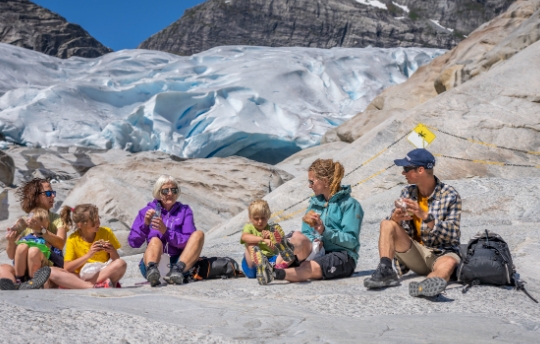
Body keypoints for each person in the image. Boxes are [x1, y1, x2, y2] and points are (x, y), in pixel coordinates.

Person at [363, 148, 462, 297]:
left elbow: (453, 234)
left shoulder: (450, 195)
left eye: (406, 169)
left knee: (448, 264)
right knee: (387, 224)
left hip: (442, 252)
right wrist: (396, 219)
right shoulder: (407, 192)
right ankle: (386, 271)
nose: (403, 173)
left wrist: (426, 217)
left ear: (420, 170)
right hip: (416, 253)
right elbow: (392, 231)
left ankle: (426, 286)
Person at [254, 159, 363, 285]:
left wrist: (325, 231)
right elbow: (307, 232)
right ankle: (274, 262)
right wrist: (315, 239)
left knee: (307, 266)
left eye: (312, 182)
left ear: (325, 181)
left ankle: (273, 273)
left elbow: (351, 241)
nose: (309, 186)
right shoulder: (315, 204)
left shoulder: (349, 205)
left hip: (341, 255)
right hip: (316, 251)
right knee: (297, 237)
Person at [129, 175, 205, 287]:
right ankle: (152, 270)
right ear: (158, 192)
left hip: (179, 264)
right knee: (155, 240)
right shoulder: (147, 211)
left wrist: (166, 232)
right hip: (155, 263)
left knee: (199, 234)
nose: (170, 193)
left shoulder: (184, 211)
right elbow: (133, 242)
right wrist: (145, 224)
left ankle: (177, 272)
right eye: (165, 190)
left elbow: (189, 242)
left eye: (174, 190)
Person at [0, 178, 67, 290]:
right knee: (3, 268)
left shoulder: (58, 220)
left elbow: (60, 244)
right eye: (49, 193)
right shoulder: (24, 222)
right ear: (36, 197)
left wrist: (42, 230)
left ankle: (34, 283)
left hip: (45, 268)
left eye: (53, 193)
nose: (53, 196)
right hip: (23, 269)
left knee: (34, 251)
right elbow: (12, 255)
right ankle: (17, 284)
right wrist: (11, 242)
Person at [61, 204, 126, 288]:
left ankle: (89, 284)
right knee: (54, 271)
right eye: (93, 222)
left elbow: (116, 259)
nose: (98, 223)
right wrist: (89, 254)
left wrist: (112, 250)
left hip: (103, 272)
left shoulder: (106, 232)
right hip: (82, 275)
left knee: (121, 263)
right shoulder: (73, 239)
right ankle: (97, 284)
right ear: (81, 225)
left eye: (98, 219)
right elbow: (67, 267)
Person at [239, 200, 279, 282]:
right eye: (256, 218)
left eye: (263, 218)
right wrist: (262, 239)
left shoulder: (271, 229)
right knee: (251, 244)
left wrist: (271, 240)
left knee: (281, 256)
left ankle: (266, 269)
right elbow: (244, 237)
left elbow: (277, 248)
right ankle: (260, 266)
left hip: (269, 258)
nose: (260, 221)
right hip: (252, 264)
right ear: (250, 217)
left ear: (268, 216)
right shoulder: (249, 227)